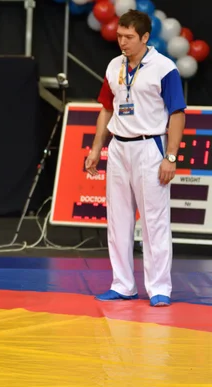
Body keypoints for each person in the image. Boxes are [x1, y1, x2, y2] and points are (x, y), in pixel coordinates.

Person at [85, 10, 186, 307]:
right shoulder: (114, 65)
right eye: (119, 36)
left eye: (129, 37)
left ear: (145, 37)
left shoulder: (164, 68)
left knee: (154, 221)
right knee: (117, 220)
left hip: (150, 146)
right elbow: (107, 108)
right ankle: (123, 284)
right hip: (118, 147)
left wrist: (170, 156)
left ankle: (159, 288)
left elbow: (177, 113)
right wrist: (95, 149)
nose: (122, 42)